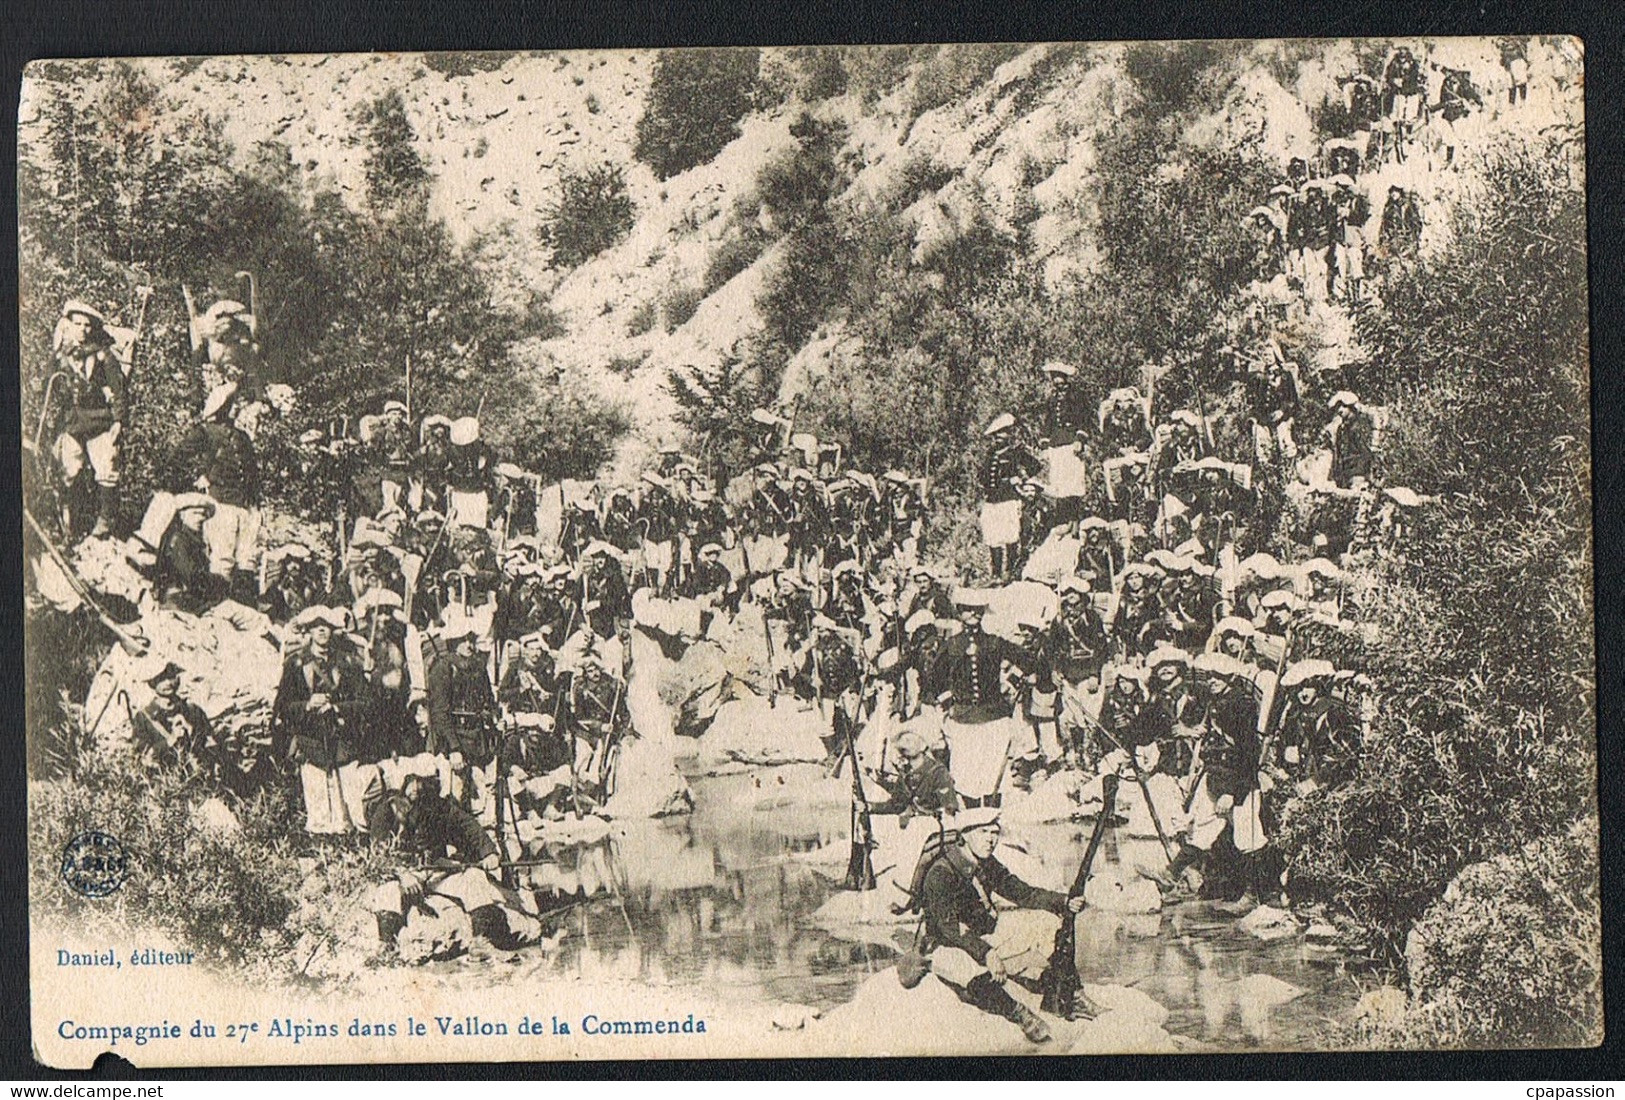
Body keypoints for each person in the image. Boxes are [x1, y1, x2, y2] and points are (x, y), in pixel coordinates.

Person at [917, 807, 1088, 1043]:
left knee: (1049, 922)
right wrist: (986, 953)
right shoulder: (941, 873)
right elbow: (949, 927)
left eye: (995, 832)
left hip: (984, 936)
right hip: (948, 945)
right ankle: (1017, 1013)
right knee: (967, 971)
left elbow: (1020, 892)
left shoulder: (985, 862)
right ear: (964, 835)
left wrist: (1062, 901)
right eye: (984, 832)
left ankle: (1074, 995)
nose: (991, 839)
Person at [275, 606, 369, 836]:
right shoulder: (296, 664)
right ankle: (320, 845)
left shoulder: (347, 663)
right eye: (317, 627)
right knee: (317, 802)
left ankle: (348, 844)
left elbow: (364, 702)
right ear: (308, 631)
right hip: (311, 740)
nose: (322, 631)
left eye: (326, 626)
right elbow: (282, 707)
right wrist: (308, 704)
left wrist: (336, 707)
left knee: (347, 802)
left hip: (341, 739)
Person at [176, 382, 262, 604]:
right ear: (222, 407)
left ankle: (244, 604)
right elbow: (178, 457)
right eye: (232, 404)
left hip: (245, 506)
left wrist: (255, 505)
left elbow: (252, 472)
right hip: (221, 504)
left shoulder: (242, 437)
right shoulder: (205, 433)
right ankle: (218, 603)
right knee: (222, 557)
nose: (236, 408)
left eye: (237, 404)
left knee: (247, 559)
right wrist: (198, 478)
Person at [49, 300, 128, 539]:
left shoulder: (104, 356)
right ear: (69, 325)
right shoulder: (60, 356)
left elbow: (119, 389)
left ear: (93, 329)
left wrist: (118, 421)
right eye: (78, 324)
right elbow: (49, 388)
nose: (82, 329)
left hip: (99, 422)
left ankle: (105, 522)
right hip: (72, 423)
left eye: (87, 325)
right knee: (68, 471)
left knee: (107, 468)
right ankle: (68, 523)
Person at [980, 414, 1039, 581]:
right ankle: (996, 574)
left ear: (1009, 434)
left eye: (1002, 433)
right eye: (996, 435)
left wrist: (1021, 478)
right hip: (992, 501)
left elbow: (1035, 465)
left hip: (1008, 499)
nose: (999, 438)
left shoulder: (1015, 452)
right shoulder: (991, 454)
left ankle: (1011, 572)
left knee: (1010, 537)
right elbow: (983, 476)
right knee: (993, 537)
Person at [152, 493, 228, 613]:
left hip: (191, 600)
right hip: (177, 602)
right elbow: (193, 577)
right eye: (195, 514)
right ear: (182, 515)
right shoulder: (178, 541)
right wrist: (220, 581)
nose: (201, 518)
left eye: (204, 515)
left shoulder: (194, 540)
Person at [870, 728, 959, 821]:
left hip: (935, 825)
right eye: (902, 740)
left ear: (922, 745)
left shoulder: (937, 771)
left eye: (909, 740)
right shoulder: (905, 773)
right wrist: (870, 806)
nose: (904, 742)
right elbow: (897, 804)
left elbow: (950, 807)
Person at [1325, 391, 1375, 490]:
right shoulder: (1342, 428)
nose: (1339, 410)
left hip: (1357, 474)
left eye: (1343, 406)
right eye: (1337, 408)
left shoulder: (1359, 426)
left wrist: (1362, 473)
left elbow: (1365, 453)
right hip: (1345, 474)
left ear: (1351, 407)